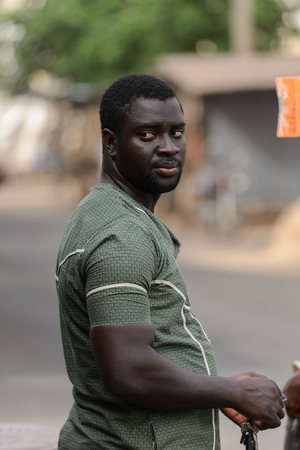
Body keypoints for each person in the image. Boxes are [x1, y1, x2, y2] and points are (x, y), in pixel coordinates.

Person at [55, 74, 284, 450]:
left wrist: (219, 389)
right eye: (148, 135)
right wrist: (231, 391)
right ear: (111, 142)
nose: (168, 148)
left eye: (176, 133)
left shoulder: (106, 211)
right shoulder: (121, 236)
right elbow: (130, 371)